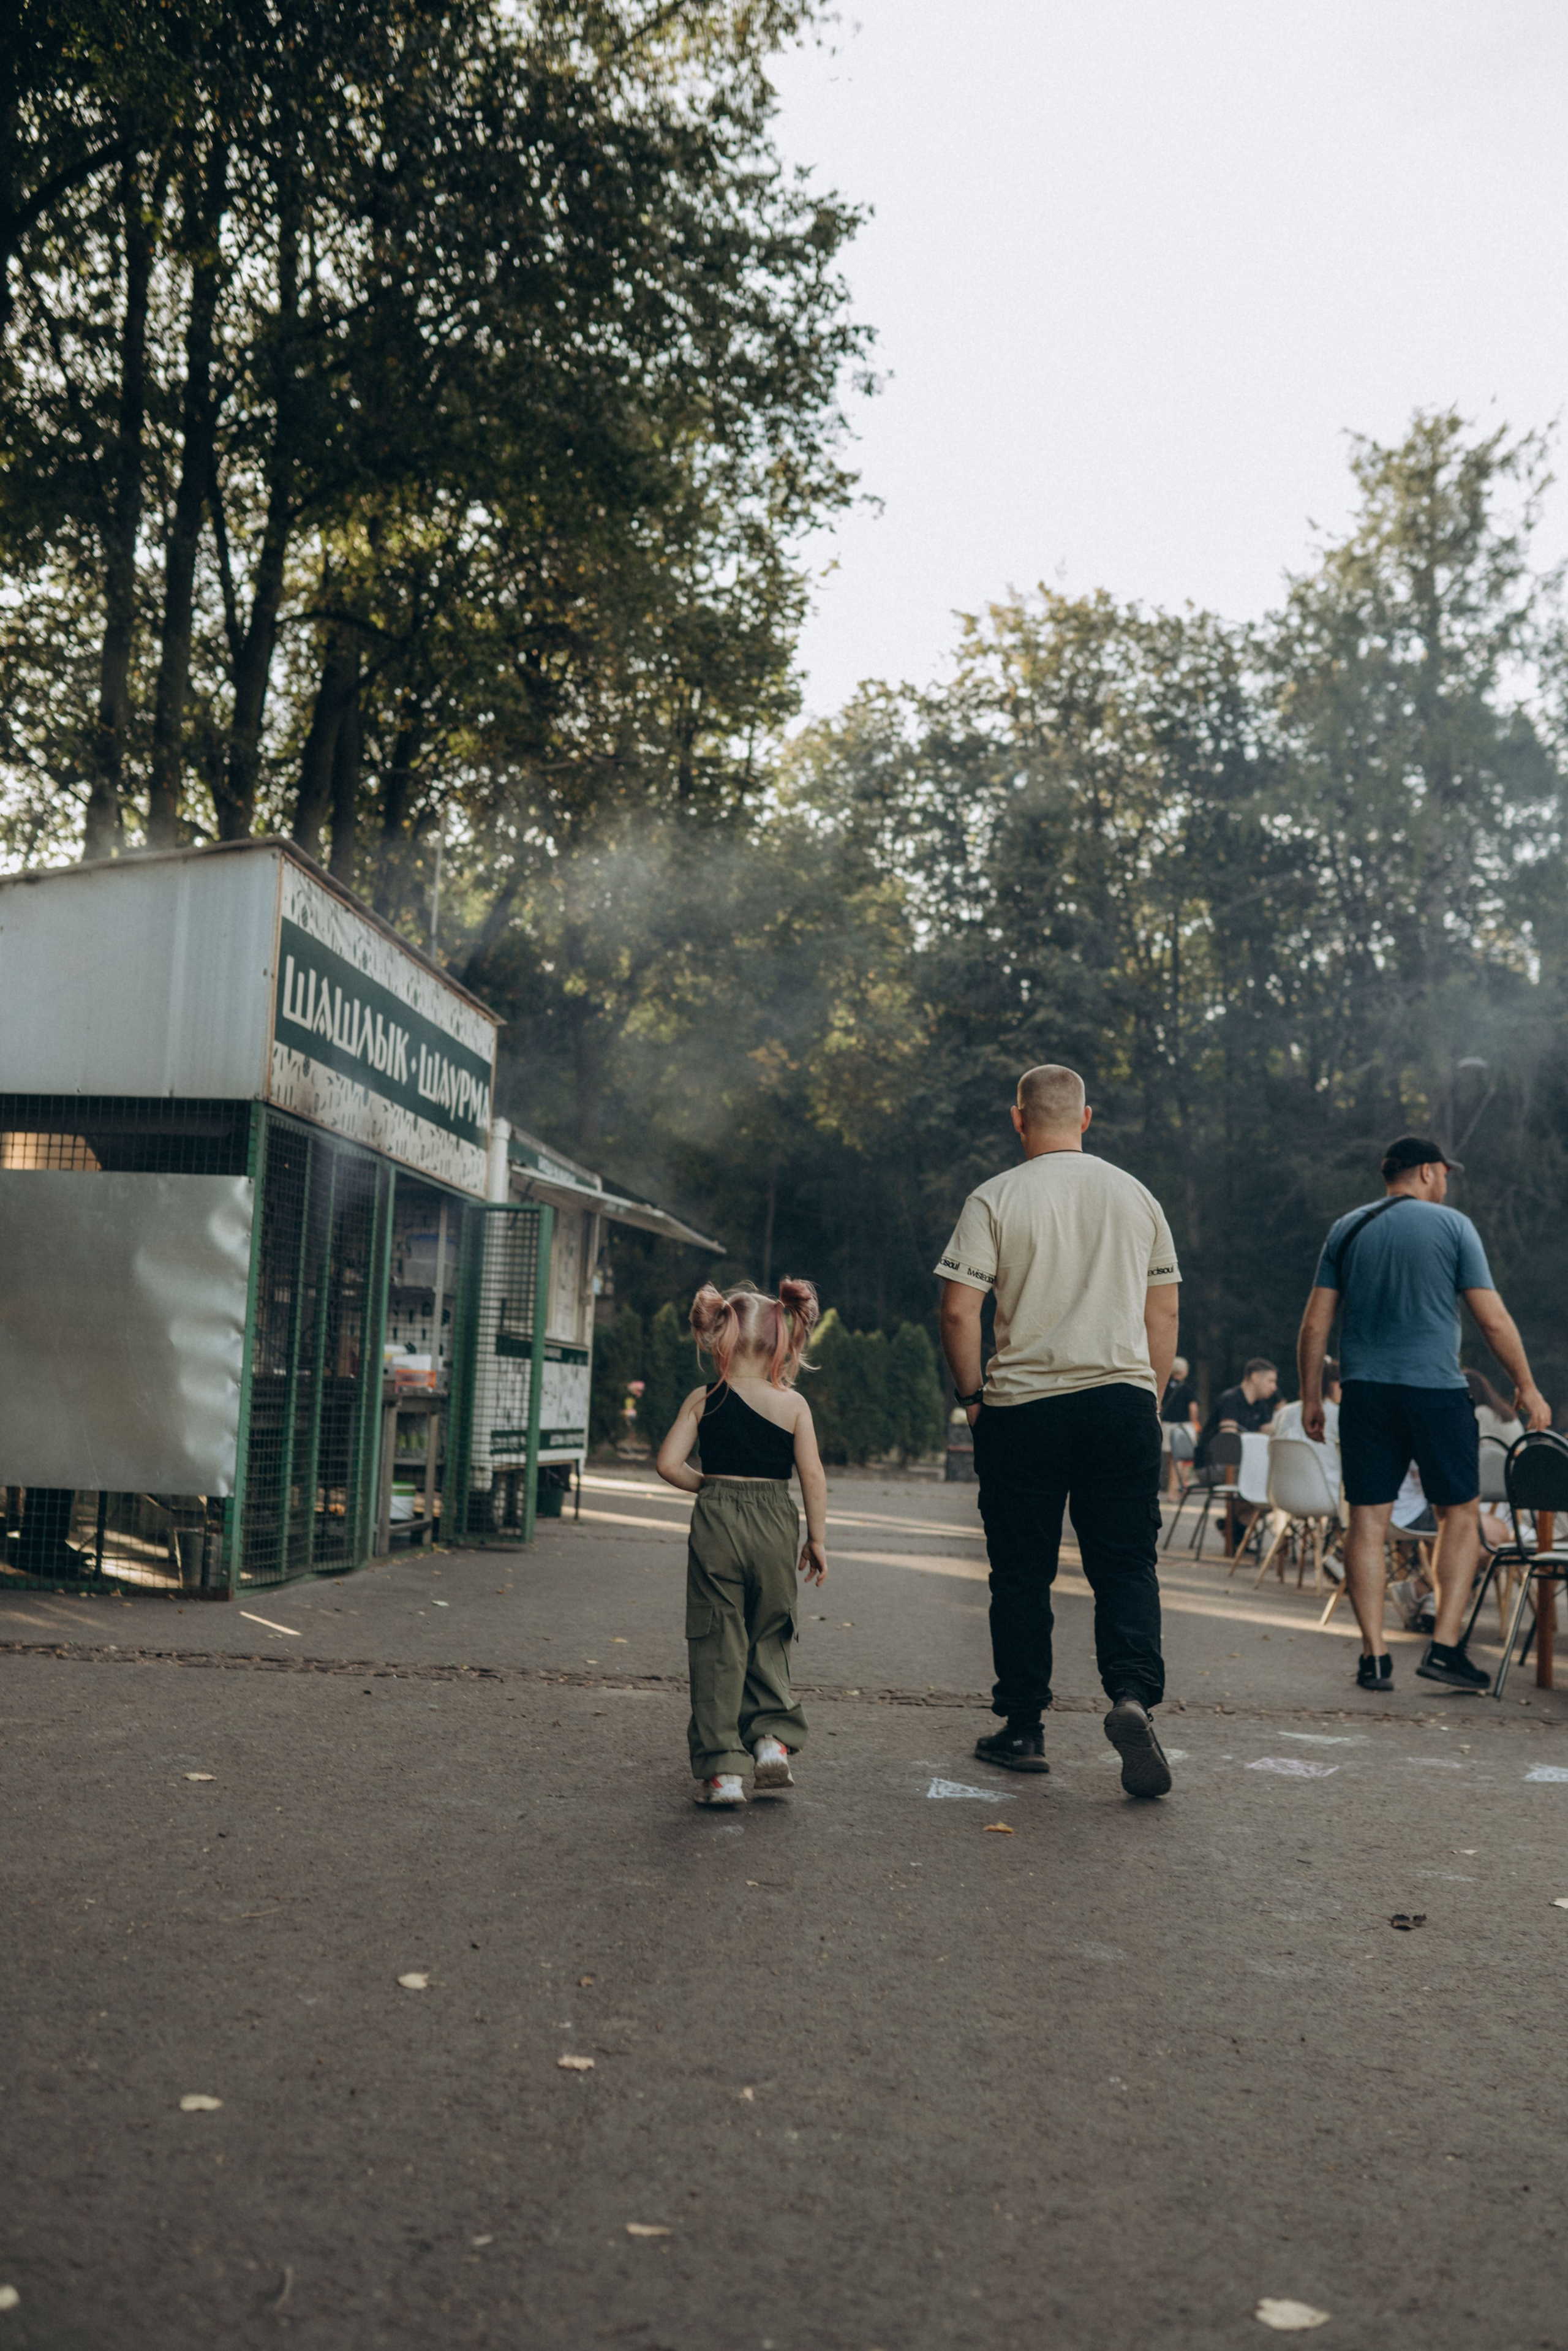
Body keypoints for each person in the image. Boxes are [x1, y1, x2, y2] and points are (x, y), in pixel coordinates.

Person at [936, 1062, 1180, 1798]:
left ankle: (1022, 1729)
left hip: (1024, 1409)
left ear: (1018, 1119)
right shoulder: (1137, 1196)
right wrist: (1150, 1399)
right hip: (1122, 1403)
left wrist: (973, 1399)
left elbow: (957, 1311)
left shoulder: (995, 1197)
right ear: (1086, 1117)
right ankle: (1131, 1695)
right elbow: (1161, 1314)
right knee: (1126, 1565)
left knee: (1021, 1574)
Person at [1297, 1134, 1550, 1695]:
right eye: (1446, 1174)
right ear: (1431, 1173)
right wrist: (1526, 1385)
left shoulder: (1347, 1229)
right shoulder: (1455, 1227)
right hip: (1436, 1392)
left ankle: (1375, 1657)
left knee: (1368, 1520)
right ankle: (1444, 1647)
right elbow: (1493, 1319)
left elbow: (1315, 1325)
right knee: (1461, 1514)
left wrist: (1313, 1397)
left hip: (1364, 1393)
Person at [655, 1280, 828, 1806]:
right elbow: (813, 1476)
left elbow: (667, 1464)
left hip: (717, 1524)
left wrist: (709, 1487)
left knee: (716, 1641)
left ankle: (723, 1773)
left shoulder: (704, 1400)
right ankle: (772, 1743)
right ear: (784, 1344)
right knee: (771, 1632)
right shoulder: (793, 1404)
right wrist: (816, 1539)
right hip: (776, 1521)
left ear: (719, 1341)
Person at [1160, 1356, 1200, 1492]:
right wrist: (1194, 1422)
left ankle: (1174, 1488)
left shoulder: (1165, 1388)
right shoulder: (1188, 1389)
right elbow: (1193, 1408)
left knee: (1172, 1460)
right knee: (1185, 1458)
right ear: (1185, 1371)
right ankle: (1179, 1487)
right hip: (1184, 1427)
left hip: (1167, 1426)